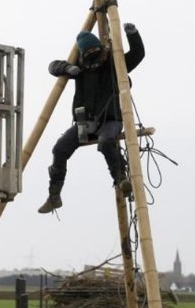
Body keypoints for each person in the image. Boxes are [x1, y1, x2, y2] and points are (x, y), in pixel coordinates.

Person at [37, 23, 145, 214]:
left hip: (110, 120)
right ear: (83, 53)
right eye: (89, 51)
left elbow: (137, 54)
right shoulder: (81, 68)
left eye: (95, 49)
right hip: (84, 124)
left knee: (105, 142)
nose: (93, 53)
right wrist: (68, 68)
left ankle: (121, 179)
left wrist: (133, 34)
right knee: (59, 149)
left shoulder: (113, 63)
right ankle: (54, 195)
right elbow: (52, 66)